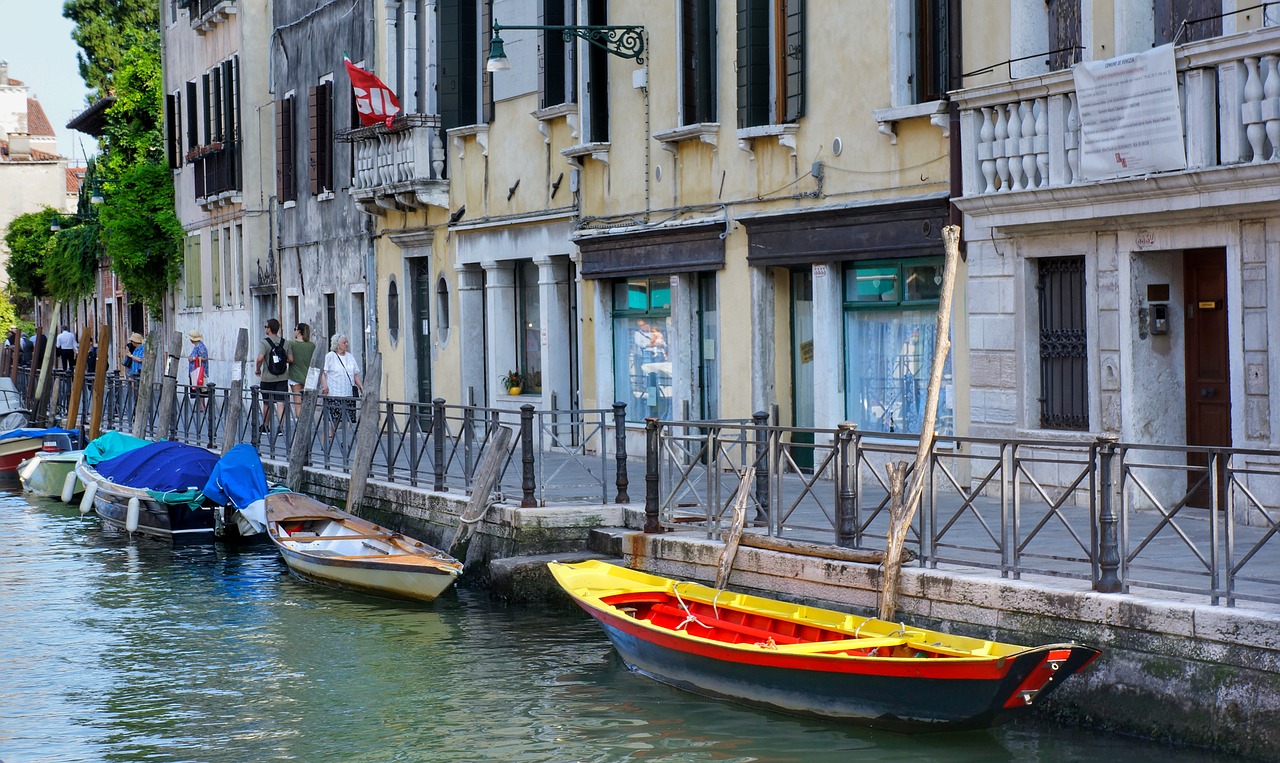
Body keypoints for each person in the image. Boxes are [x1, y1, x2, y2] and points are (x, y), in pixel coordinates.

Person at [320, 333, 362, 439]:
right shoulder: (330, 356)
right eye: (344, 342)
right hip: (335, 392)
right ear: (337, 344)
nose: (346, 344)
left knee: (347, 418)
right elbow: (323, 373)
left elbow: (355, 374)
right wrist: (325, 386)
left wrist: (362, 387)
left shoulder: (350, 357)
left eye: (347, 342)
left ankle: (345, 439)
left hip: (348, 393)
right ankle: (330, 435)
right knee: (333, 417)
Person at [255, 318, 292, 433]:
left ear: (269, 329)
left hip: (267, 377)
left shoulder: (264, 343)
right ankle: (280, 427)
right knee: (281, 401)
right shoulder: (285, 342)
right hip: (282, 377)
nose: (265, 328)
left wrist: (258, 369)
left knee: (267, 402)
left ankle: (266, 426)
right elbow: (291, 359)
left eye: (266, 327)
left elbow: (260, 358)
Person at [287, 322, 316, 415]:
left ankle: (299, 425)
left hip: (295, 376)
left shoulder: (290, 343)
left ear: (299, 331)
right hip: (308, 377)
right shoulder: (312, 345)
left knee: (297, 403)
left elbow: (288, 358)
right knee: (306, 403)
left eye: (295, 329)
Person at [187, 329, 209, 409]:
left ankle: (202, 406)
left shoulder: (200, 346)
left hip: (198, 372)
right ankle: (201, 406)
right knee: (199, 389)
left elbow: (204, 358)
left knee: (200, 388)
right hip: (195, 371)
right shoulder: (197, 346)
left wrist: (193, 358)